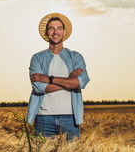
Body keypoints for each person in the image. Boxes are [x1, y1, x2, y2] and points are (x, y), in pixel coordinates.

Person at [27, 13, 90, 141]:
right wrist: (68, 80)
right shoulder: (37, 58)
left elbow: (81, 82)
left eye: (59, 28)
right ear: (46, 33)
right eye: (51, 28)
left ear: (64, 32)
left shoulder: (75, 57)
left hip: (70, 117)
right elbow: (39, 87)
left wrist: (49, 79)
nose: (55, 32)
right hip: (43, 117)